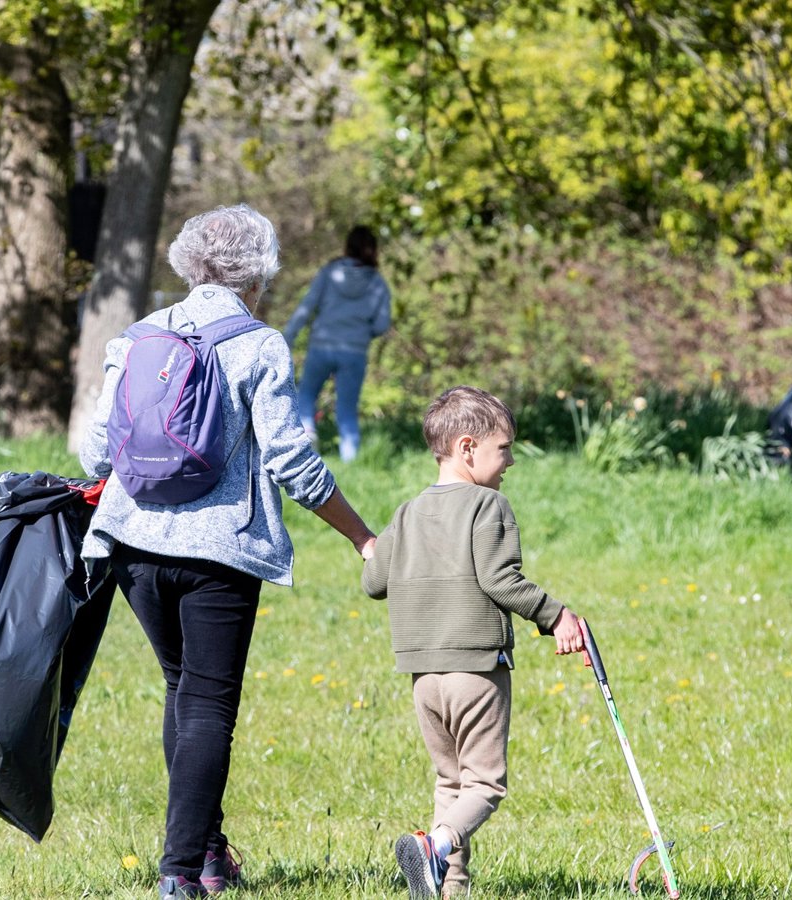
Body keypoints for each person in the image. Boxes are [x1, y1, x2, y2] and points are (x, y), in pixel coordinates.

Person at [79, 204, 378, 900]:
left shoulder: (137, 336)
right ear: (260, 270)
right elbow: (293, 463)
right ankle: (180, 872)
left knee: (183, 692)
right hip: (219, 551)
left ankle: (209, 855)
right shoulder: (259, 344)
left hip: (132, 544)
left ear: (189, 260)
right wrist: (362, 536)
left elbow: (98, 452)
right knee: (208, 705)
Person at [360, 385, 585, 899]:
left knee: (450, 782)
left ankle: (448, 888)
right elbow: (500, 580)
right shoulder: (489, 504)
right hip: (476, 669)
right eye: (502, 449)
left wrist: (375, 551)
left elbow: (375, 583)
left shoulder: (407, 512)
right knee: (484, 784)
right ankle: (435, 847)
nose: (508, 462)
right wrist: (557, 617)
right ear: (467, 448)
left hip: (423, 677)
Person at [282, 225, 392, 462]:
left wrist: (287, 338)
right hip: (354, 351)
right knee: (346, 409)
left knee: (306, 395)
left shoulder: (329, 272)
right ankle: (350, 462)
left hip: (322, 345)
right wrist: (362, 332)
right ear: (373, 250)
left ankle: (308, 435)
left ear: (348, 246)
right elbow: (382, 324)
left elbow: (307, 306)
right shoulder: (377, 282)